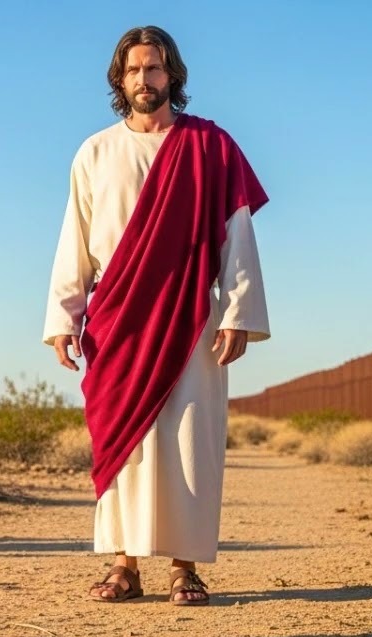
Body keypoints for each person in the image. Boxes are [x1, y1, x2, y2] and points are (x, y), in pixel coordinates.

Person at [43, 26, 271, 606]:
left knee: (188, 441)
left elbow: (236, 234)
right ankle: (124, 566)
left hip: (190, 312)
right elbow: (77, 238)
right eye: (135, 70)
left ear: (174, 75)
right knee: (125, 439)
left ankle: (184, 567)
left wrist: (238, 311)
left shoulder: (210, 146)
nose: (146, 80)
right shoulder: (94, 151)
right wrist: (64, 317)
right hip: (117, 319)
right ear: (120, 80)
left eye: (156, 68)